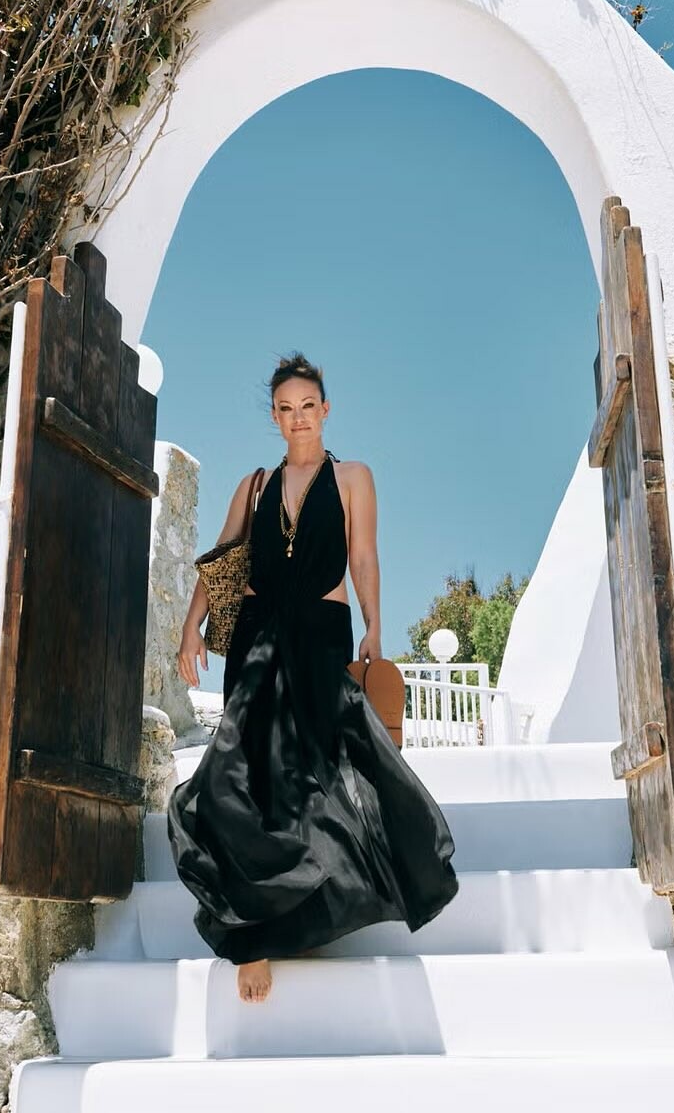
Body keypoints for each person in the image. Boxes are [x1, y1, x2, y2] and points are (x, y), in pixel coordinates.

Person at [167, 351, 459, 1004]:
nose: (297, 418)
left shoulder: (353, 477)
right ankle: (253, 936)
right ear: (274, 417)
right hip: (257, 637)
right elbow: (222, 560)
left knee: (318, 773)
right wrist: (191, 628)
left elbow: (363, 555)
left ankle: (308, 911)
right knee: (243, 772)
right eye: (285, 408)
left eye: (307, 406)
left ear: (324, 411)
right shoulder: (254, 486)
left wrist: (374, 626)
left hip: (323, 635)